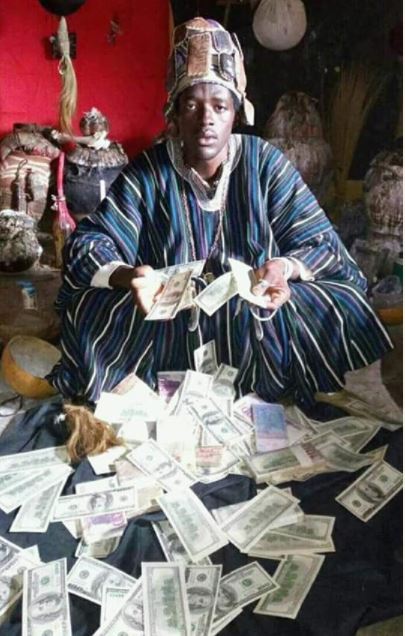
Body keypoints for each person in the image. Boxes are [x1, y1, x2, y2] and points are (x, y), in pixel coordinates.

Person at [48, 17, 392, 408]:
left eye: (220, 106)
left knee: (342, 304)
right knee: (88, 309)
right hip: (167, 313)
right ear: (175, 114)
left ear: (236, 114)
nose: (206, 118)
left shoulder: (264, 163)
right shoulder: (150, 170)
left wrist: (283, 268)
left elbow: (323, 245)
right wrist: (131, 277)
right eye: (192, 104)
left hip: (254, 307)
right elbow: (89, 243)